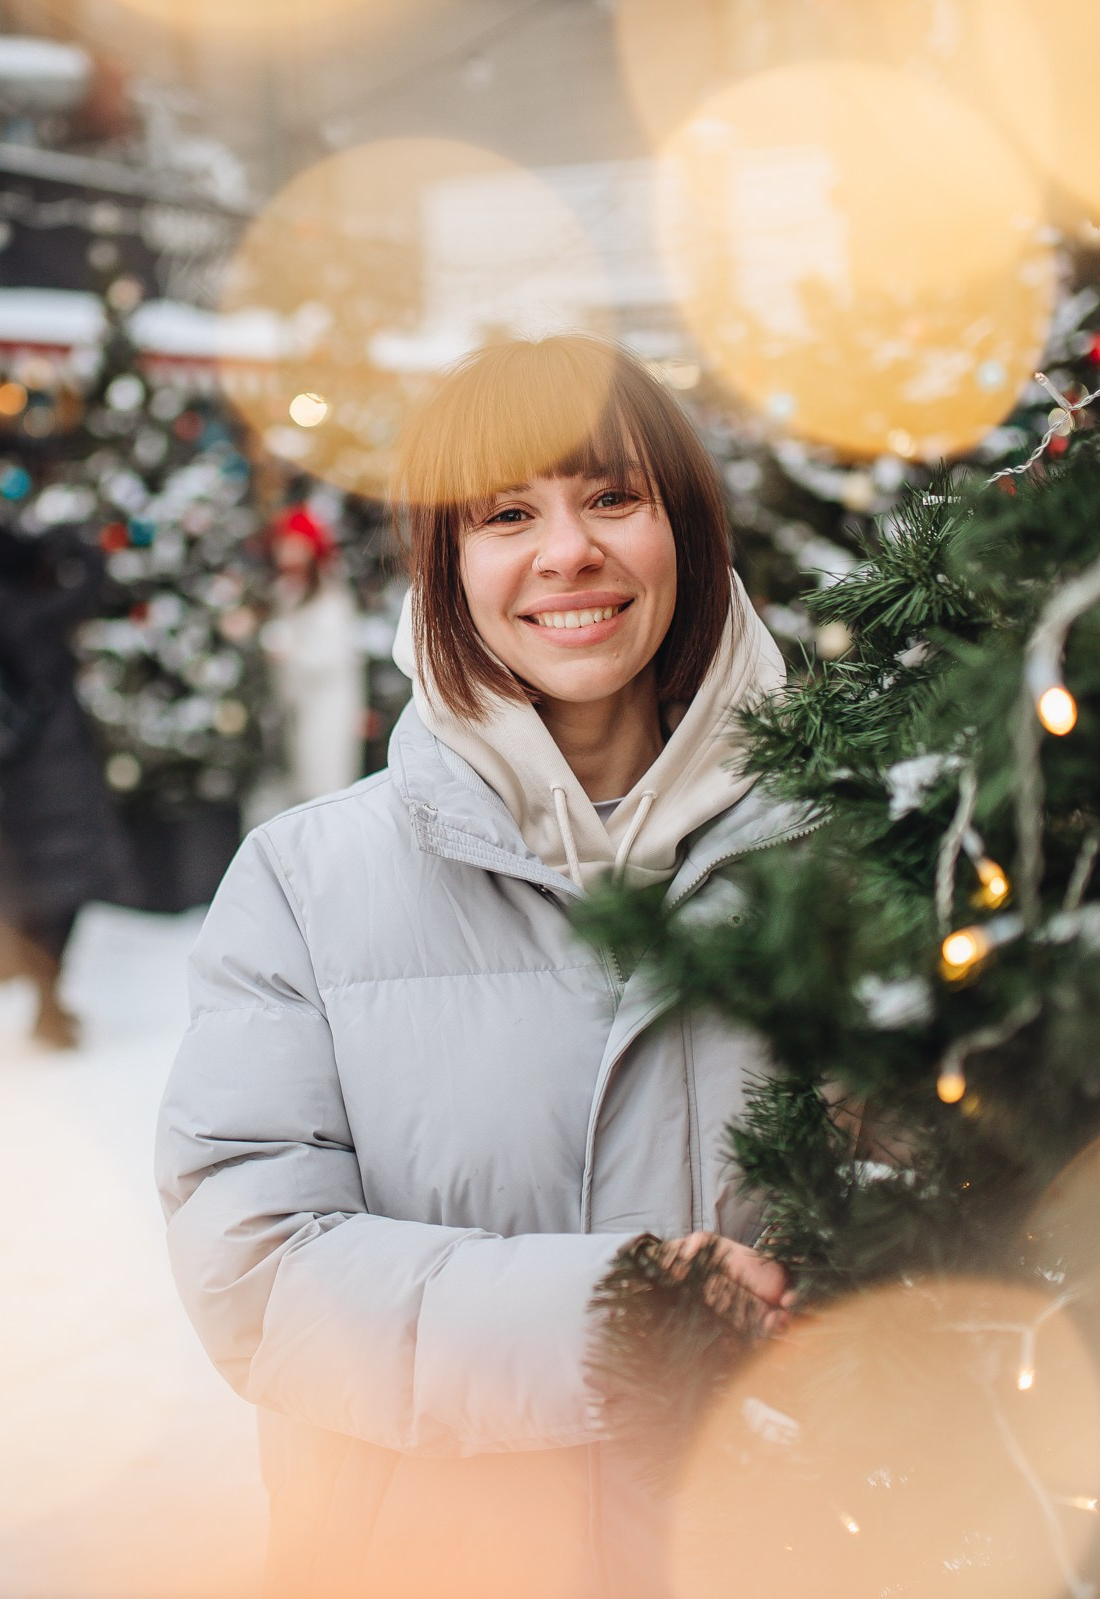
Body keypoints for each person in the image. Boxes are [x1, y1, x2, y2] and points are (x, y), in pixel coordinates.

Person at [156, 336, 810, 1597]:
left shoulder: (848, 853)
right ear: (446, 566)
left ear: (685, 530)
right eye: (507, 514)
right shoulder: (307, 884)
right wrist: (625, 1314)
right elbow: (257, 1271)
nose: (567, 552)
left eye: (612, 497)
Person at [0, 523, 131, 1049]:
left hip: (15, 781)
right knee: (62, 896)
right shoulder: (32, 617)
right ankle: (49, 1007)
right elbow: (92, 582)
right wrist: (74, 544)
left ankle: (45, 1002)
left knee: (35, 896)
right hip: (57, 777)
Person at [261, 489, 365, 808]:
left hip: (327, 709)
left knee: (325, 786)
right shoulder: (286, 592)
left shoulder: (330, 597)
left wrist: (291, 652)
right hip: (295, 707)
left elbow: (335, 655)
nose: (287, 553)